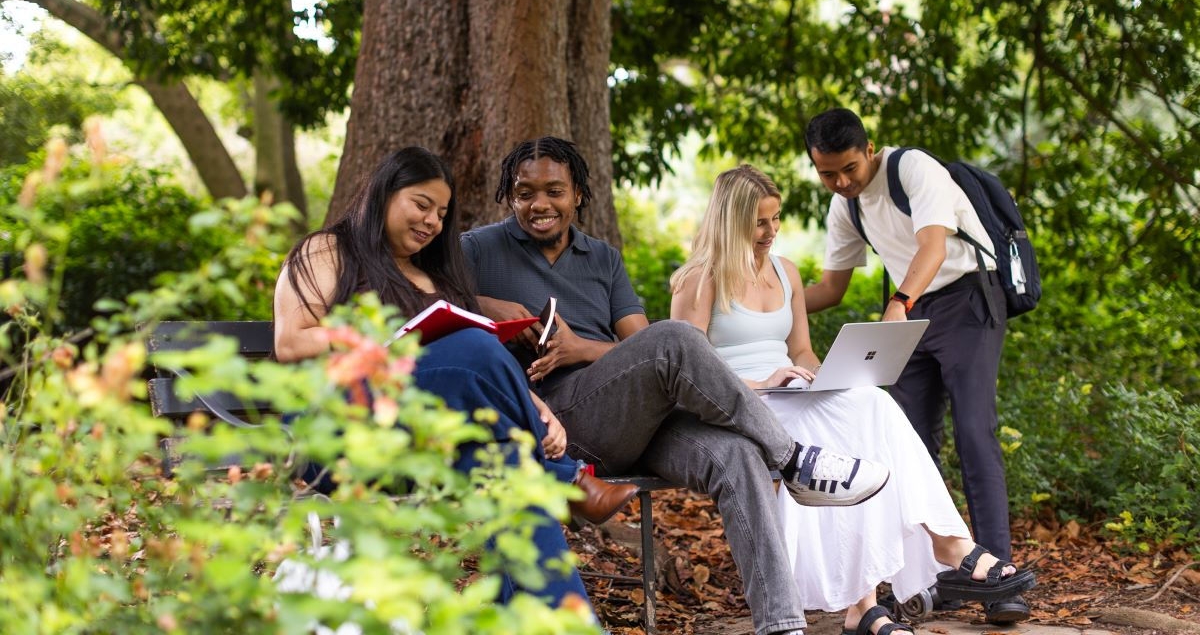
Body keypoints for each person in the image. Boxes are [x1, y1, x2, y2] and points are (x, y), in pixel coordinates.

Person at [461, 136, 892, 635]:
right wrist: (484, 303)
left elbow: (643, 349)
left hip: (635, 418)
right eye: (524, 192)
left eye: (554, 191)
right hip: (558, 422)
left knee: (738, 456)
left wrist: (582, 348)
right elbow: (426, 301)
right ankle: (796, 460)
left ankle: (782, 626)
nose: (539, 204)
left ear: (578, 193)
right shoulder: (478, 249)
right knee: (678, 337)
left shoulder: (603, 259)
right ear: (509, 196)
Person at [670, 164, 1035, 635]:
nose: (771, 232)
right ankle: (866, 603)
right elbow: (688, 371)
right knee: (832, 435)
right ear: (730, 220)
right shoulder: (698, 280)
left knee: (873, 404)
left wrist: (824, 376)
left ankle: (943, 547)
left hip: (790, 389)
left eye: (776, 219)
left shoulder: (786, 272)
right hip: (738, 401)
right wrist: (764, 383)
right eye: (759, 222)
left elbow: (800, 349)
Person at [272, 145, 639, 613]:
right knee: (474, 350)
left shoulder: (432, 278)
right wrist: (383, 339)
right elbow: (291, 343)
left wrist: (536, 407)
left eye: (442, 213)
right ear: (384, 194)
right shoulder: (327, 249)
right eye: (421, 205)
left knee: (508, 464)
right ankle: (568, 480)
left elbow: (469, 368)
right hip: (337, 431)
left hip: (423, 439)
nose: (431, 221)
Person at [802, 108, 1029, 624]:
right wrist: (758, 296)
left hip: (967, 298)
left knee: (974, 431)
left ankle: (998, 579)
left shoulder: (912, 169)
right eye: (827, 174)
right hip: (912, 309)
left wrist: (901, 300)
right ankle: (934, 579)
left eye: (850, 169)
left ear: (870, 150)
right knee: (909, 444)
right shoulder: (847, 206)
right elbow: (831, 289)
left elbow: (932, 245)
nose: (841, 182)